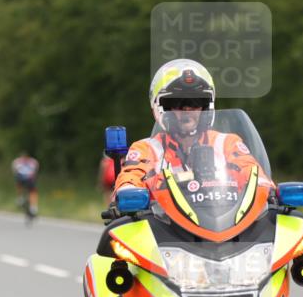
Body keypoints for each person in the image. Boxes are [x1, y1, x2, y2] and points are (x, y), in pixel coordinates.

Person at [113, 58, 273, 199]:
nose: (187, 109)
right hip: (165, 227)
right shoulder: (147, 149)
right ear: (158, 108)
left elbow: (251, 171)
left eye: (196, 101)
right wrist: (129, 190)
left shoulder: (226, 143)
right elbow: (130, 179)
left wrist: (265, 188)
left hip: (226, 225)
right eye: (176, 103)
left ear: (207, 106)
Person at [11, 151, 40, 221]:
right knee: (18, 181)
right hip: (21, 178)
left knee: (33, 190)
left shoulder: (33, 162)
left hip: (29, 179)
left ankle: (33, 207)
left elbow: (35, 171)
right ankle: (20, 197)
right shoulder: (17, 162)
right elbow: (15, 171)